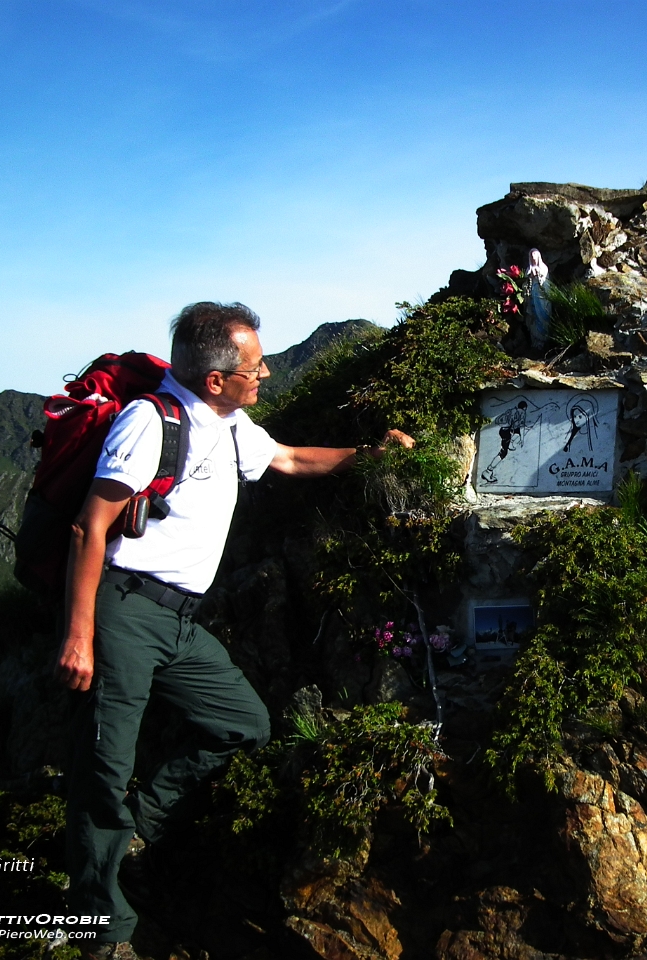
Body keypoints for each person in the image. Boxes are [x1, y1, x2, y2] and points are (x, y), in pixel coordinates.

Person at [55, 302, 412, 958]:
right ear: (215, 378)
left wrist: (369, 454)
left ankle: (138, 826)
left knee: (243, 724)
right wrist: (79, 636)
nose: (266, 372)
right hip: (124, 613)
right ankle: (102, 930)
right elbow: (89, 526)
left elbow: (290, 461)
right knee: (104, 768)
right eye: (253, 366)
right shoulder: (148, 423)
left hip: (180, 621)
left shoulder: (229, 423)